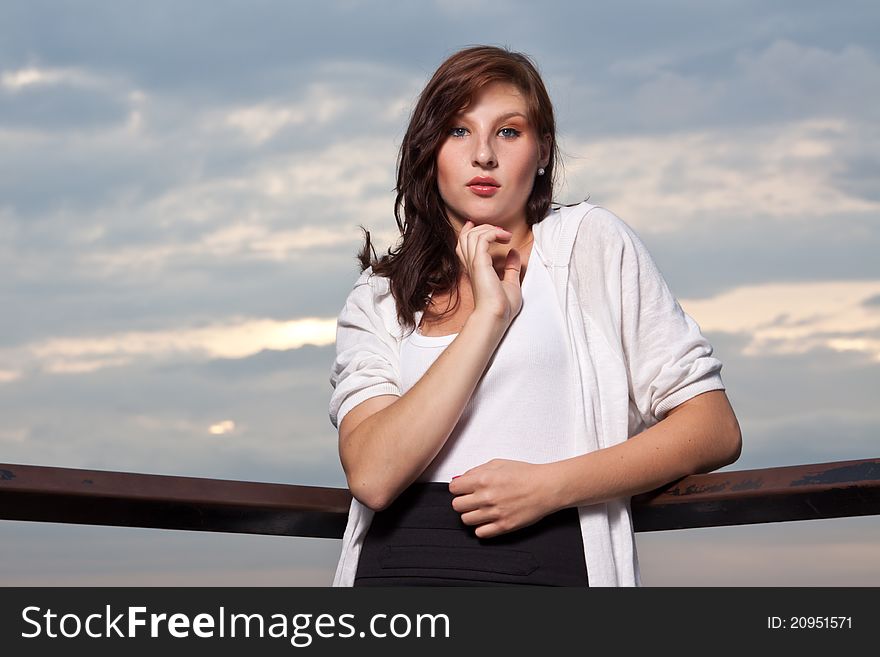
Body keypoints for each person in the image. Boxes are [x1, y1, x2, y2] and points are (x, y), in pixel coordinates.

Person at [328, 45, 741, 586]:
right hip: (396, 575)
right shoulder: (379, 295)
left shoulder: (588, 246)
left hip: (548, 567)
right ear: (429, 149)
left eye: (508, 131)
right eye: (458, 130)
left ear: (543, 149)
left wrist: (551, 487)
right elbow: (375, 477)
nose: (483, 155)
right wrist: (488, 319)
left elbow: (713, 427)